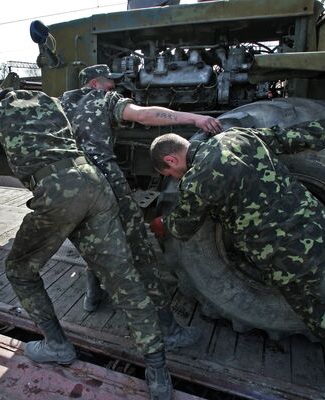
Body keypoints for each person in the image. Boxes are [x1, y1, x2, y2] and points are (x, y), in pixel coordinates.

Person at [0, 89, 172, 399]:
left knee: (20, 271)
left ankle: (57, 345)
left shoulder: (0, 111)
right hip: (94, 183)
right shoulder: (52, 102)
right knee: (123, 277)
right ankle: (157, 370)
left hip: (57, 191)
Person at [149, 113, 325, 383]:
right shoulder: (237, 136)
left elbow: (183, 227)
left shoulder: (197, 181)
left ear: (170, 160)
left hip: (295, 261)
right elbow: (294, 137)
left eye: (169, 173)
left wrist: (161, 223)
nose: (174, 177)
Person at [60, 64, 221, 351]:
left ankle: (93, 295)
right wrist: (195, 118)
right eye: (110, 85)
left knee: (91, 236)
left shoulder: (61, 103)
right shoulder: (102, 99)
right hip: (103, 180)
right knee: (141, 252)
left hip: (68, 183)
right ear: (95, 84)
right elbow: (144, 115)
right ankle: (169, 332)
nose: (114, 89)